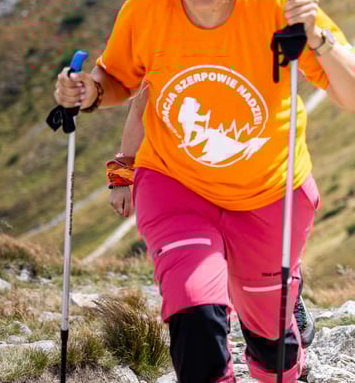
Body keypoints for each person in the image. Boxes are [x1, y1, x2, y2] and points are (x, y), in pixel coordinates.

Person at [54, 0, 355, 382]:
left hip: (270, 195)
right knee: (195, 313)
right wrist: (87, 91)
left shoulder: (275, 4)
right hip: (175, 183)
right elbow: (116, 78)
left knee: (273, 348)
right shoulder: (146, 7)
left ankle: (283, 312)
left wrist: (316, 35)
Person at [105, 84, 316, 348]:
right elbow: (139, 109)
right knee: (202, 258)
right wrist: (121, 177)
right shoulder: (170, 56)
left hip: (252, 174)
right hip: (187, 181)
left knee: (262, 252)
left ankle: (286, 296)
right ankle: (215, 327)